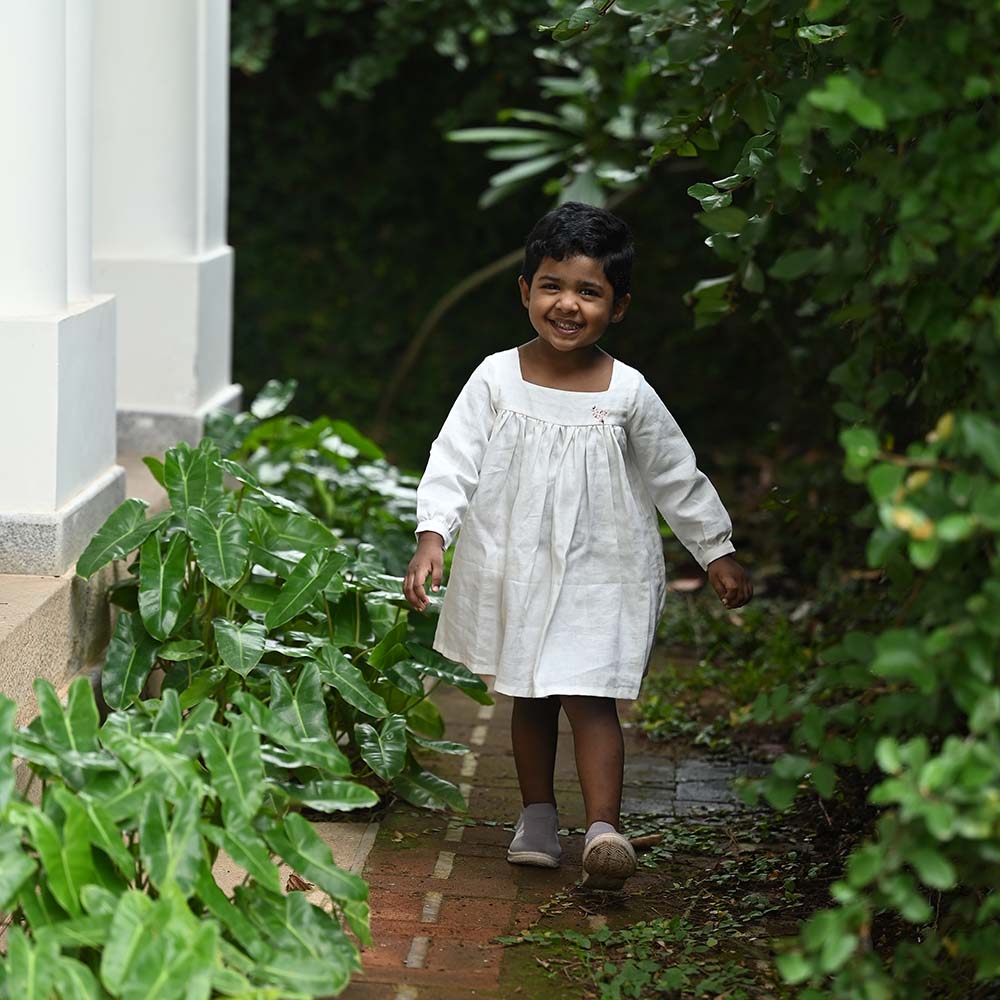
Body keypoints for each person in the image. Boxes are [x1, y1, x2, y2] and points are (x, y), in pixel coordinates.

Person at [403, 202, 752, 890]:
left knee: (591, 696)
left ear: (618, 307)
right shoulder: (496, 378)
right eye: (552, 286)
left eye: (589, 291)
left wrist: (716, 549)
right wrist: (433, 533)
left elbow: (675, 474)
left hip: (601, 570)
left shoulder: (628, 393)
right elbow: (453, 458)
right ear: (525, 291)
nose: (567, 304)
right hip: (517, 564)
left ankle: (602, 831)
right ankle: (536, 817)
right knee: (531, 695)